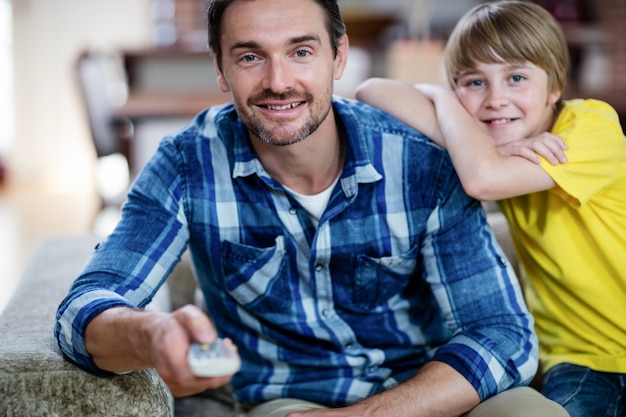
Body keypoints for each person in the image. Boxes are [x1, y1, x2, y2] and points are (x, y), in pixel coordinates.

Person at [54, 1, 568, 416]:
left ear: (338, 56)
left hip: (436, 390)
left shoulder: (421, 161)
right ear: (220, 68)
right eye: (250, 56)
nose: (279, 81)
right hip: (290, 398)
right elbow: (85, 308)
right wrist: (153, 335)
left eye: (301, 51)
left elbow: (503, 332)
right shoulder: (186, 164)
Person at [356, 1, 626, 416]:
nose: (496, 99)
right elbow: (371, 89)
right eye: (474, 82)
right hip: (580, 359)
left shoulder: (591, 126)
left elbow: (483, 179)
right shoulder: (490, 148)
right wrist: (447, 101)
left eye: (516, 77)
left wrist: (472, 131)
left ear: (555, 87)